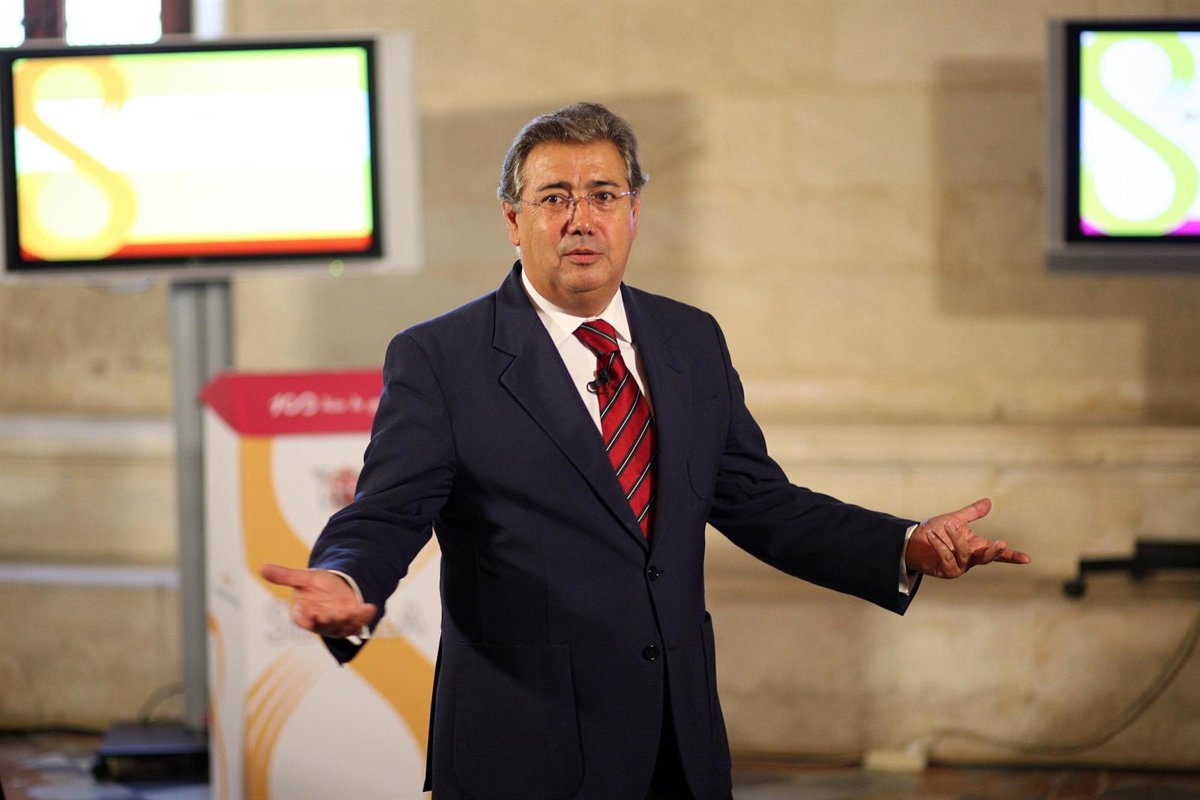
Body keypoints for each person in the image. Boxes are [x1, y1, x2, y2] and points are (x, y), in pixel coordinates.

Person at [261, 101, 1030, 800]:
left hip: (679, 745)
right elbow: (389, 509)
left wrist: (904, 545)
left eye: (603, 195)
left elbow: (760, 502)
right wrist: (343, 575)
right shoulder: (441, 357)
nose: (581, 218)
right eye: (554, 198)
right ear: (512, 220)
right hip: (524, 750)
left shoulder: (690, 339)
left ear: (634, 213)